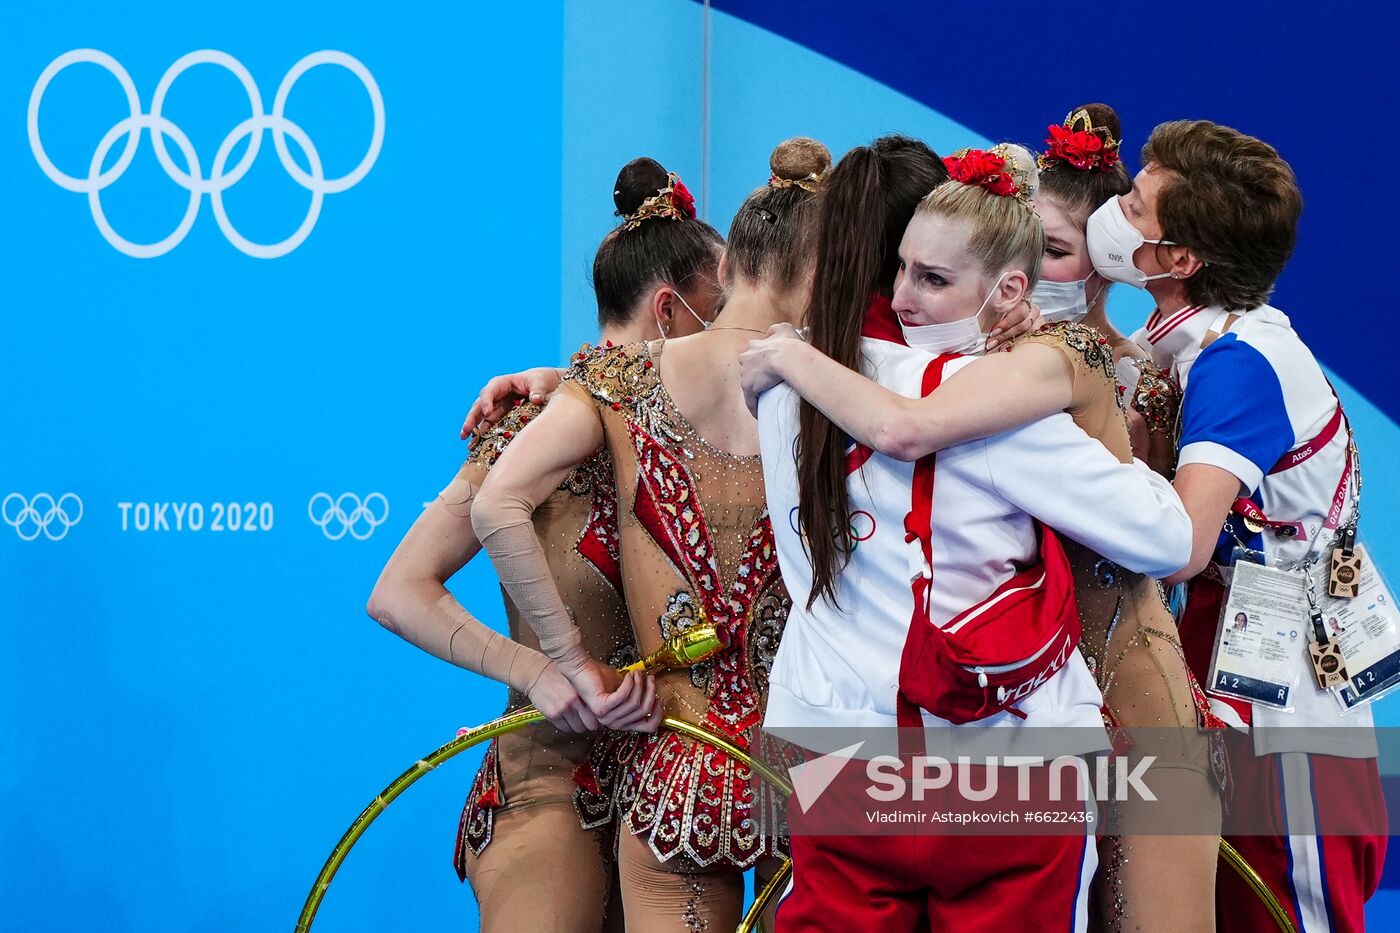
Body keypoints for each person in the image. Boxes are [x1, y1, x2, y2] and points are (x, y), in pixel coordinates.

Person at [741, 110, 1223, 931]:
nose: (907, 293)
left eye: (928, 275)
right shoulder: (996, 403)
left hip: (835, 762)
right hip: (1002, 768)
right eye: (912, 272)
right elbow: (1171, 539)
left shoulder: (779, 378)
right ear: (1003, 279)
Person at [471, 139, 830, 932]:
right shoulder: (854, 386)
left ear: (734, 266)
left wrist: (566, 662)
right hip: (807, 771)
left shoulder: (617, 383)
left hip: (682, 771)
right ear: (815, 276)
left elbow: (495, 505)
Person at [365, 156, 722, 933]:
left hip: (687, 773)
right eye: (718, 314)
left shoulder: (712, 431)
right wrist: (540, 672)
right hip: (552, 775)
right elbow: (399, 591)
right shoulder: (527, 432)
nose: (729, 339)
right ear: (670, 313)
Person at [1085, 118, 1387, 933]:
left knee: (1278, 915)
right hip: (1244, 659)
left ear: (1180, 258)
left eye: (1136, 207)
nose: (1115, 214)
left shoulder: (1239, 365)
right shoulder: (1218, 345)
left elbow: (1180, 545)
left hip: (1280, 705)